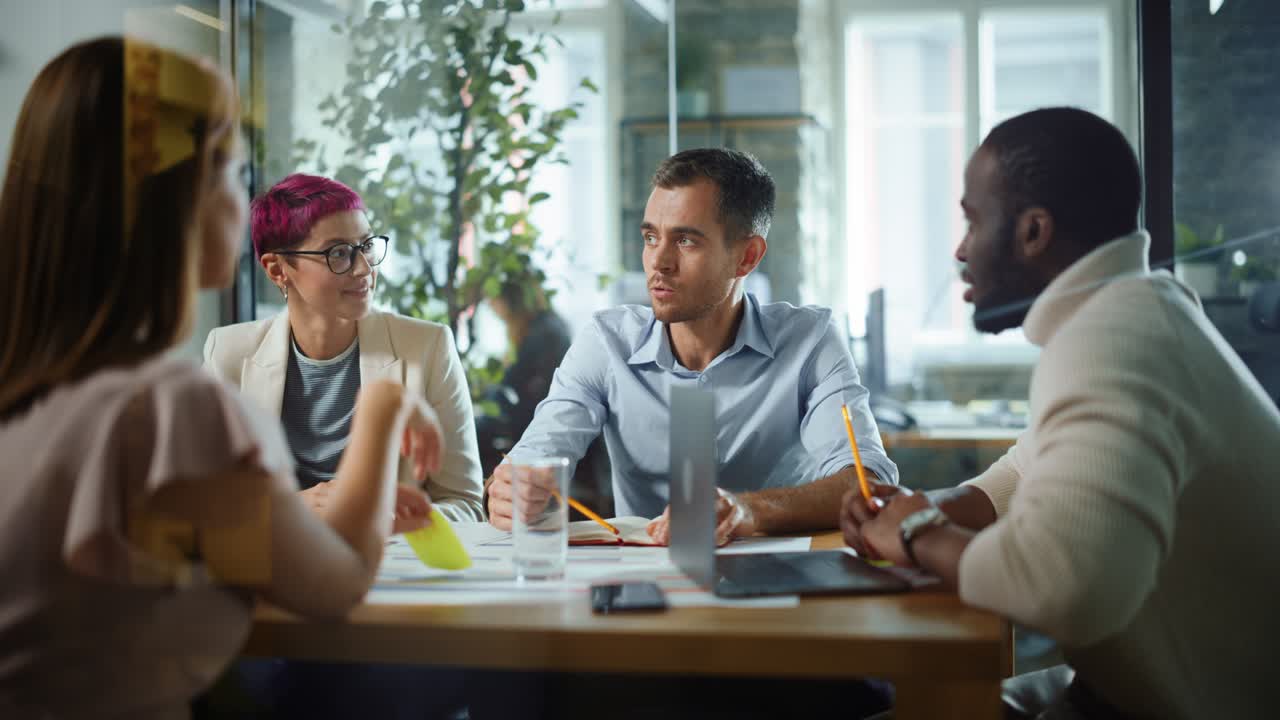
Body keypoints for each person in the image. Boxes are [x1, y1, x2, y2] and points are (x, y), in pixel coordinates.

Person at [0, 37, 441, 718]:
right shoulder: (169, 410)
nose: (245, 208)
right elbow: (337, 583)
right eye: (233, 174)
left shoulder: (30, 402)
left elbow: (208, 546)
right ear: (179, 202)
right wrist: (384, 406)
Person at [841, 107, 1280, 719]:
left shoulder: (1114, 340)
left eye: (972, 220)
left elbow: (1062, 588)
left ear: (1032, 231)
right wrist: (937, 507)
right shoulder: (1137, 309)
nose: (961, 248)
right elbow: (1032, 467)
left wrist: (917, 536)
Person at [487, 148, 897, 545]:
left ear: (747, 257)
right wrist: (513, 490)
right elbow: (535, 457)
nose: (659, 262)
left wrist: (745, 511)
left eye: (685, 241)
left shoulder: (811, 340)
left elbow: (868, 482)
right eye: (651, 237)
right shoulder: (605, 343)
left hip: (782, 579)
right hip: (645, 580)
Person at [204, 173, 485, 523]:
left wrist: (385, 520)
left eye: (366, 246)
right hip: (277, 566)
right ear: (277, 269)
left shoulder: (427, 347)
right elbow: (210, 504)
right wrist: (292, 507)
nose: (364, 268)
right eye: (339, 253)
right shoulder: (229, 353)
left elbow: (466, 503)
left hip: (392, 563)